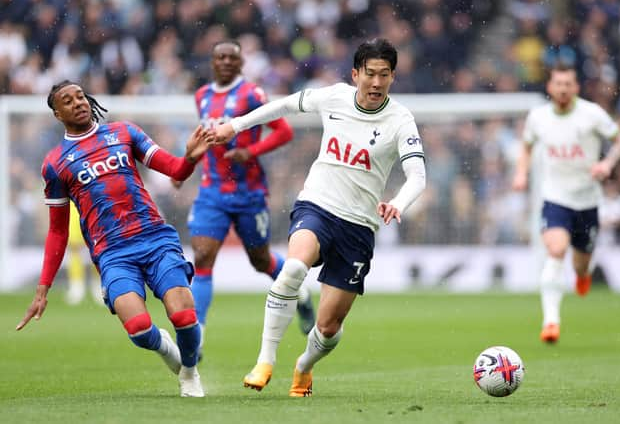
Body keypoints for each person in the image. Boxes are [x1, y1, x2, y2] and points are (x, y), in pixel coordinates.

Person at [209, 38, 426, 396]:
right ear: (356, 74)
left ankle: (304, 366)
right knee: (294, 268)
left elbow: (417, 175)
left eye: (383, 75)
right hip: (318, 206)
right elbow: (282, 106)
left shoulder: (400, 120)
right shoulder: (334, 97)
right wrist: (234, 126)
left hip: (358, 227)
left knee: (328, 327)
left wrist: (399, 203)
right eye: (369, 74)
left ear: (392, 78)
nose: (375, 83)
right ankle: (265, 360)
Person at [16, 80, 214, 397]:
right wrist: (43, 289)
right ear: (57, 113)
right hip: (113, 253)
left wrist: (190, 156)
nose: (78, 102)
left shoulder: (124, 133)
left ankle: (189, 373)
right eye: (67, 100)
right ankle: (167, 350)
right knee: (138, 330)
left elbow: (176, 170)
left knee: (185, 316)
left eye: (81, 96)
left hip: (155, 239)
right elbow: (58, 231)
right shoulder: (55, 164)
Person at [173, 39, 316, 358]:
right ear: (212, 63)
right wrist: (184, 169)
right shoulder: (202, 96)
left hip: (249, 193)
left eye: (231, 58)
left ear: (240, 64)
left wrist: (250, 151)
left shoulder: (252, 94)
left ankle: (302, 295)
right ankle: (197, 338)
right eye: (219, 57)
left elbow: (283, 132)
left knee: (260, 260)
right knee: (203, 259)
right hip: (212, 192)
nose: (225, 62)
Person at [513, 64, 620, 343]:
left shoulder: (592, 114)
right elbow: (527, 146)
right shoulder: (538, 117)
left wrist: (607, 163)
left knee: (580, 265)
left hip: (588, 201)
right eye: (558, 84)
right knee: (556, 250)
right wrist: (521, 172)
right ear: (550, 88)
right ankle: (550, 322)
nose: (563, 89)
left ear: (576, 88)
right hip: (555, 198)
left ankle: (582, 275)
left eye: (568, 84)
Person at [65, 201, 102, 305]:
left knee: (97, 247)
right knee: (75, 247)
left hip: (94, 203)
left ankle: (99, 286)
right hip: (74, 205)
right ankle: (76, 286)